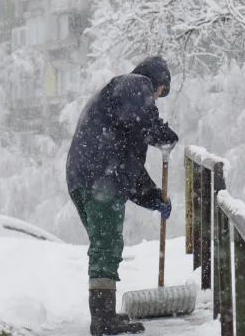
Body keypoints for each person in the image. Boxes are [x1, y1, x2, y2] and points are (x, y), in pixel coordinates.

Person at [66, 56, 179, 335]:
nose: (157, 97)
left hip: (89, 176)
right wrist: (161, 133)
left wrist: (153, 196)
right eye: (162, 90)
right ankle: (102, 319)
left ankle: (105, 314)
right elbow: (141, 119)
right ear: (156, 80)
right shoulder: (134, 83)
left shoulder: (120, 107)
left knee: (106, 243)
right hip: (99, 177)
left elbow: (130, 167)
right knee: (106, 245)